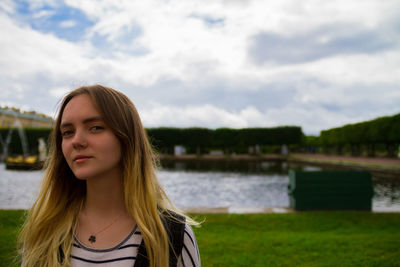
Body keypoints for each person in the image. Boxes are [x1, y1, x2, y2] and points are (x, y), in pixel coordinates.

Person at [18, 85, 201, 267]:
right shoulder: (44, 230)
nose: (76, 141)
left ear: (127, 138)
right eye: (68, 132)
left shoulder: (172, 236)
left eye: (95, 127)